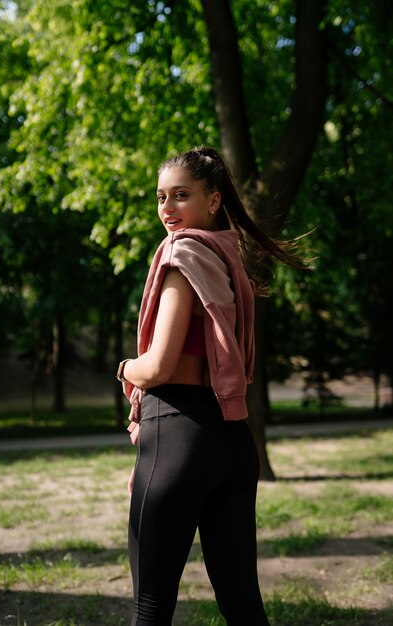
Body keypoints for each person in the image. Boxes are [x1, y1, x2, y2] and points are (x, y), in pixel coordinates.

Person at [117, 146, 299, 626]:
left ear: (214, 200)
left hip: (179, 439)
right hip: (233, 444)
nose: (167, 209)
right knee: (243, 608)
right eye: (160, 198)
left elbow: (156, 367)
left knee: (151, 607)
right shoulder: (229, 259)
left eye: (181, 195)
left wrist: (124, 368)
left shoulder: (183, 255)